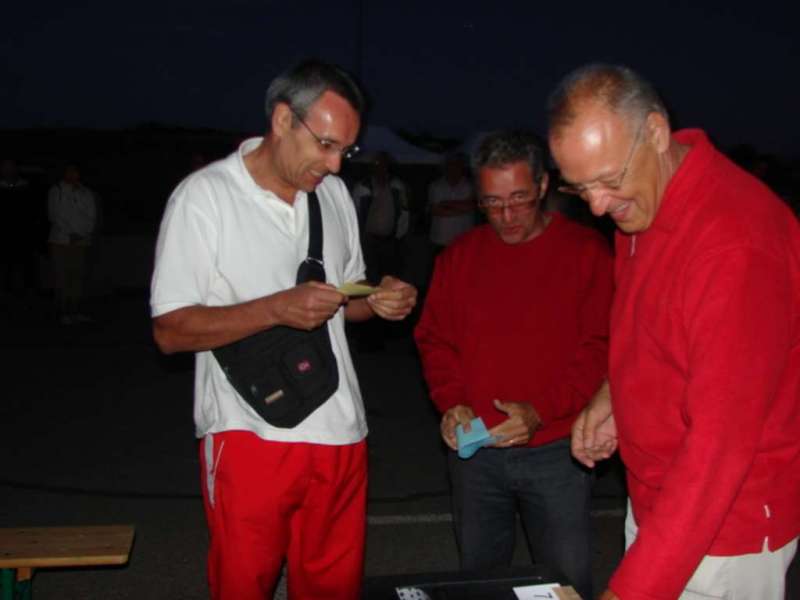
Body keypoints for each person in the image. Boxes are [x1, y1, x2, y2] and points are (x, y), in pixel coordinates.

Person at [150, 59, 417, 600]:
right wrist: (276, 308)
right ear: (281, 120)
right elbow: (170, 330)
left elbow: (342, 300)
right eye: (325, 144)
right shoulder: (205, 198)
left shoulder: (334, 197)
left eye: (346, 149)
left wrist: (379, 300)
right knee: (242, 586)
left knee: (332, 589)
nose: (336, 164)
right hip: (251, 433)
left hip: (342, 431)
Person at [548, 64, 800, 600]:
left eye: (608, 180)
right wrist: (611, 394)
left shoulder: (735, 246)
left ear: (657, 133)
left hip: (724, 528)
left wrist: (634, 589)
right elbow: (655, 327)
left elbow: (719, 448)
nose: (596, 205)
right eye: (580, 187)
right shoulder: (644, 201)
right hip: (660, 502)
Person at [414, 130, 613, 600]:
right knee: (480, 582)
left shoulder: (586, 254)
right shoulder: (459, 258)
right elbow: (434, 339)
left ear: (543, 185)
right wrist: (453, 402)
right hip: (475, 456)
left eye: (519, 199)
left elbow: (600, 349)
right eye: (492, 203)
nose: (505, 216)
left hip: (557, 452)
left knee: (564, 583)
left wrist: (542, 409)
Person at [47, 163, 97, 324]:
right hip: (61, 240)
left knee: (77, 277)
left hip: (81, 241)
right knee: (62, 276)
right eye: (70, 171)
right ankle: (63, 311)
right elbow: (55, 215)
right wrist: (70, 233)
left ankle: (76, 310)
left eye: (75, 171)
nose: (73, 174)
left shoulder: (86, 193)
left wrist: (81, 233)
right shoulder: (57, 191)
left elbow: (91, 216)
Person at [427, 152, 475, 252]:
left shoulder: (471, 186)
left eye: (457, 164)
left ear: (462, 167)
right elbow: (436, 211)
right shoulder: (435, 186)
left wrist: (446, 203)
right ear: (445, 167)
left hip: (464, 240)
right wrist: (463, 208)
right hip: (440, 240)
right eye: (451, 164)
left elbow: (471, 206)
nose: (454, 168)